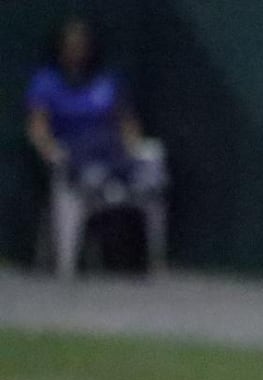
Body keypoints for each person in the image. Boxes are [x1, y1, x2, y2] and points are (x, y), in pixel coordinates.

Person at [25, 15, 168, 277]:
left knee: (146, 169)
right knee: (81, 170)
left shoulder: (108, 81)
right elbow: (38, 127)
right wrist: (51, 153)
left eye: (81, 44)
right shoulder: (46, 81)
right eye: (71, 44)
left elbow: (128, 124)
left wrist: (134, 150)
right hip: (73, 152)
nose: (76, 50)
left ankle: (148, 258)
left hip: (110, 151)